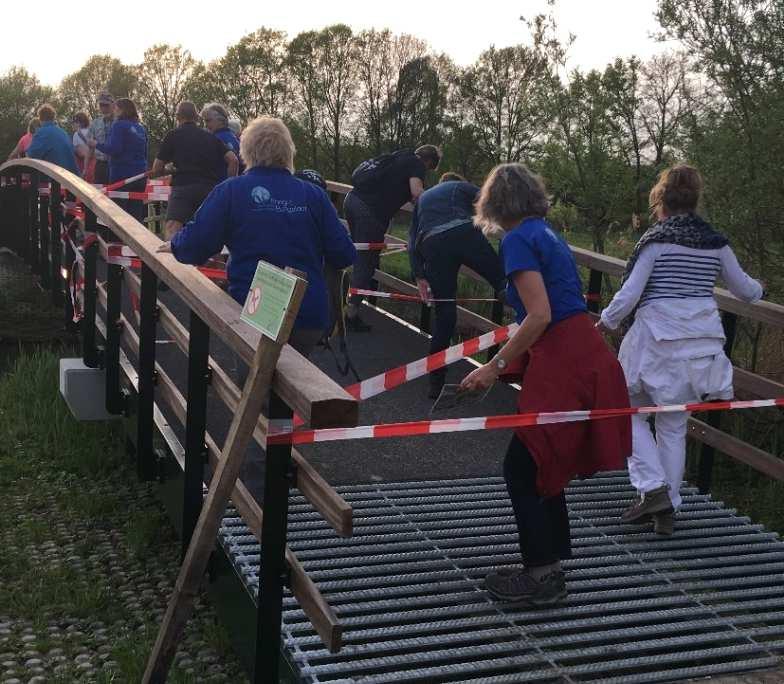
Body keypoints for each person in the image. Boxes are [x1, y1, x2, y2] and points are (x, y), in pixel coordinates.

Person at [460, 163, 631, 606]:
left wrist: (494, 366)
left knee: (524, 466)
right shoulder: (545, 232)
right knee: (541, 461)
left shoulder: (517, 240)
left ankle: (541, 574)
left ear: (495, 202)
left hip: (565, 360)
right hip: (583, 351)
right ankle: (548, 562)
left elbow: (539, 314)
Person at [597, 165, 763, 535]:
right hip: (698, 345)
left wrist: (604, 322)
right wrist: (760, 290)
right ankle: (666, 507)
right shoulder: (715, 242)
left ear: (661, 200)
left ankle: (652, 488)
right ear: (695, 199)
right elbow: (745, 290)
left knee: (626, 410)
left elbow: (629, 294)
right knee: (673, 426)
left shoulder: (656, 241)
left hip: (655, 341)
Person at [160, 116, 356, 357]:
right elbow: (344, 254)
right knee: (295, 382)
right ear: (288, 151)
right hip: (307, 312)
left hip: (256, 307)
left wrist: (174, 244)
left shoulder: (231, 191)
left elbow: (196, 245)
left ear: (246, 152)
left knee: (255, 383)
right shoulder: (314, 194)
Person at [409, 171, 507, 398]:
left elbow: (412, 240)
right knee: (502, 281)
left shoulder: (423, 200)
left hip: (431, 243)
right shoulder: (459, 187)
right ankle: (526, 325)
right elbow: (489, 201)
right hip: (463, 232)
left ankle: (436, 383)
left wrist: (419, 275)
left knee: (445, 314)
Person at [344, 144, 441, 332]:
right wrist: (435, 203)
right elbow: (416, 192)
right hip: (369, 212)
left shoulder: (400, 155)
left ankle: (342, 301)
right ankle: (349, 313)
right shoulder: (416, 164)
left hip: (352, 200)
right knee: (367, 263)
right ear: (428, 162)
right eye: (429, 169)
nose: (426, 172)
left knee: (358, 255)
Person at [151, 101, 239, 239]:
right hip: (209, 190)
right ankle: (213, 259)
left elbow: (156, 169)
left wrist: (168, 169)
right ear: (196, 117)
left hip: (183, 188)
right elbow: (233, 160)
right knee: (210, 233)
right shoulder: (210, 136)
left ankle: (170, 261)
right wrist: (228, 185)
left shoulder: (173, 135)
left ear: (178, 117)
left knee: (173, 228)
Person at [89, 98, 148, 222]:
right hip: (140, 175)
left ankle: (119, 241)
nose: (114, 112)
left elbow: (114, 149)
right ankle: (137, 240)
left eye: (115, 109)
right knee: (136, 214)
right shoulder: (140, 128)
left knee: (119, 215)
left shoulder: (119, 126)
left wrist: (96, 144)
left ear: (121, 110)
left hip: (122, 175)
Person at [25, 104, 80, 175]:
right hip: (72, 178)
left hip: (55, 180)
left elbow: (31, 155)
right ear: (53, 118)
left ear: (40, 118)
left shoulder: (42, 133)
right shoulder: (63, 133)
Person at [200, 102, 241, 177]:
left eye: (208, 120)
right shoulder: (235, 139)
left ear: (221, 120)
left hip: (218, 185)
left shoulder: (214, 140)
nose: (205, 125)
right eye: (204, 121)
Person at [88, 91, 115, 184]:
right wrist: (85, 168)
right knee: (99, 195)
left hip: (115, 163)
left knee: (116, 195)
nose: (103, 107)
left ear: (113, 105)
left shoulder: (119, 122)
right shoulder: (95, 123)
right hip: (100, 164)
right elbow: (90, 147)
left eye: (106, 105)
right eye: (101, 105)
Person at [71, 111, 95, 182]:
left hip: (81, 163)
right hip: (93, 162)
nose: (73, 124)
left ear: (79, 123)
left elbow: (76, 151)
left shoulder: (76, 134)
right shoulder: (92, 132)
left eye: (74, 122)